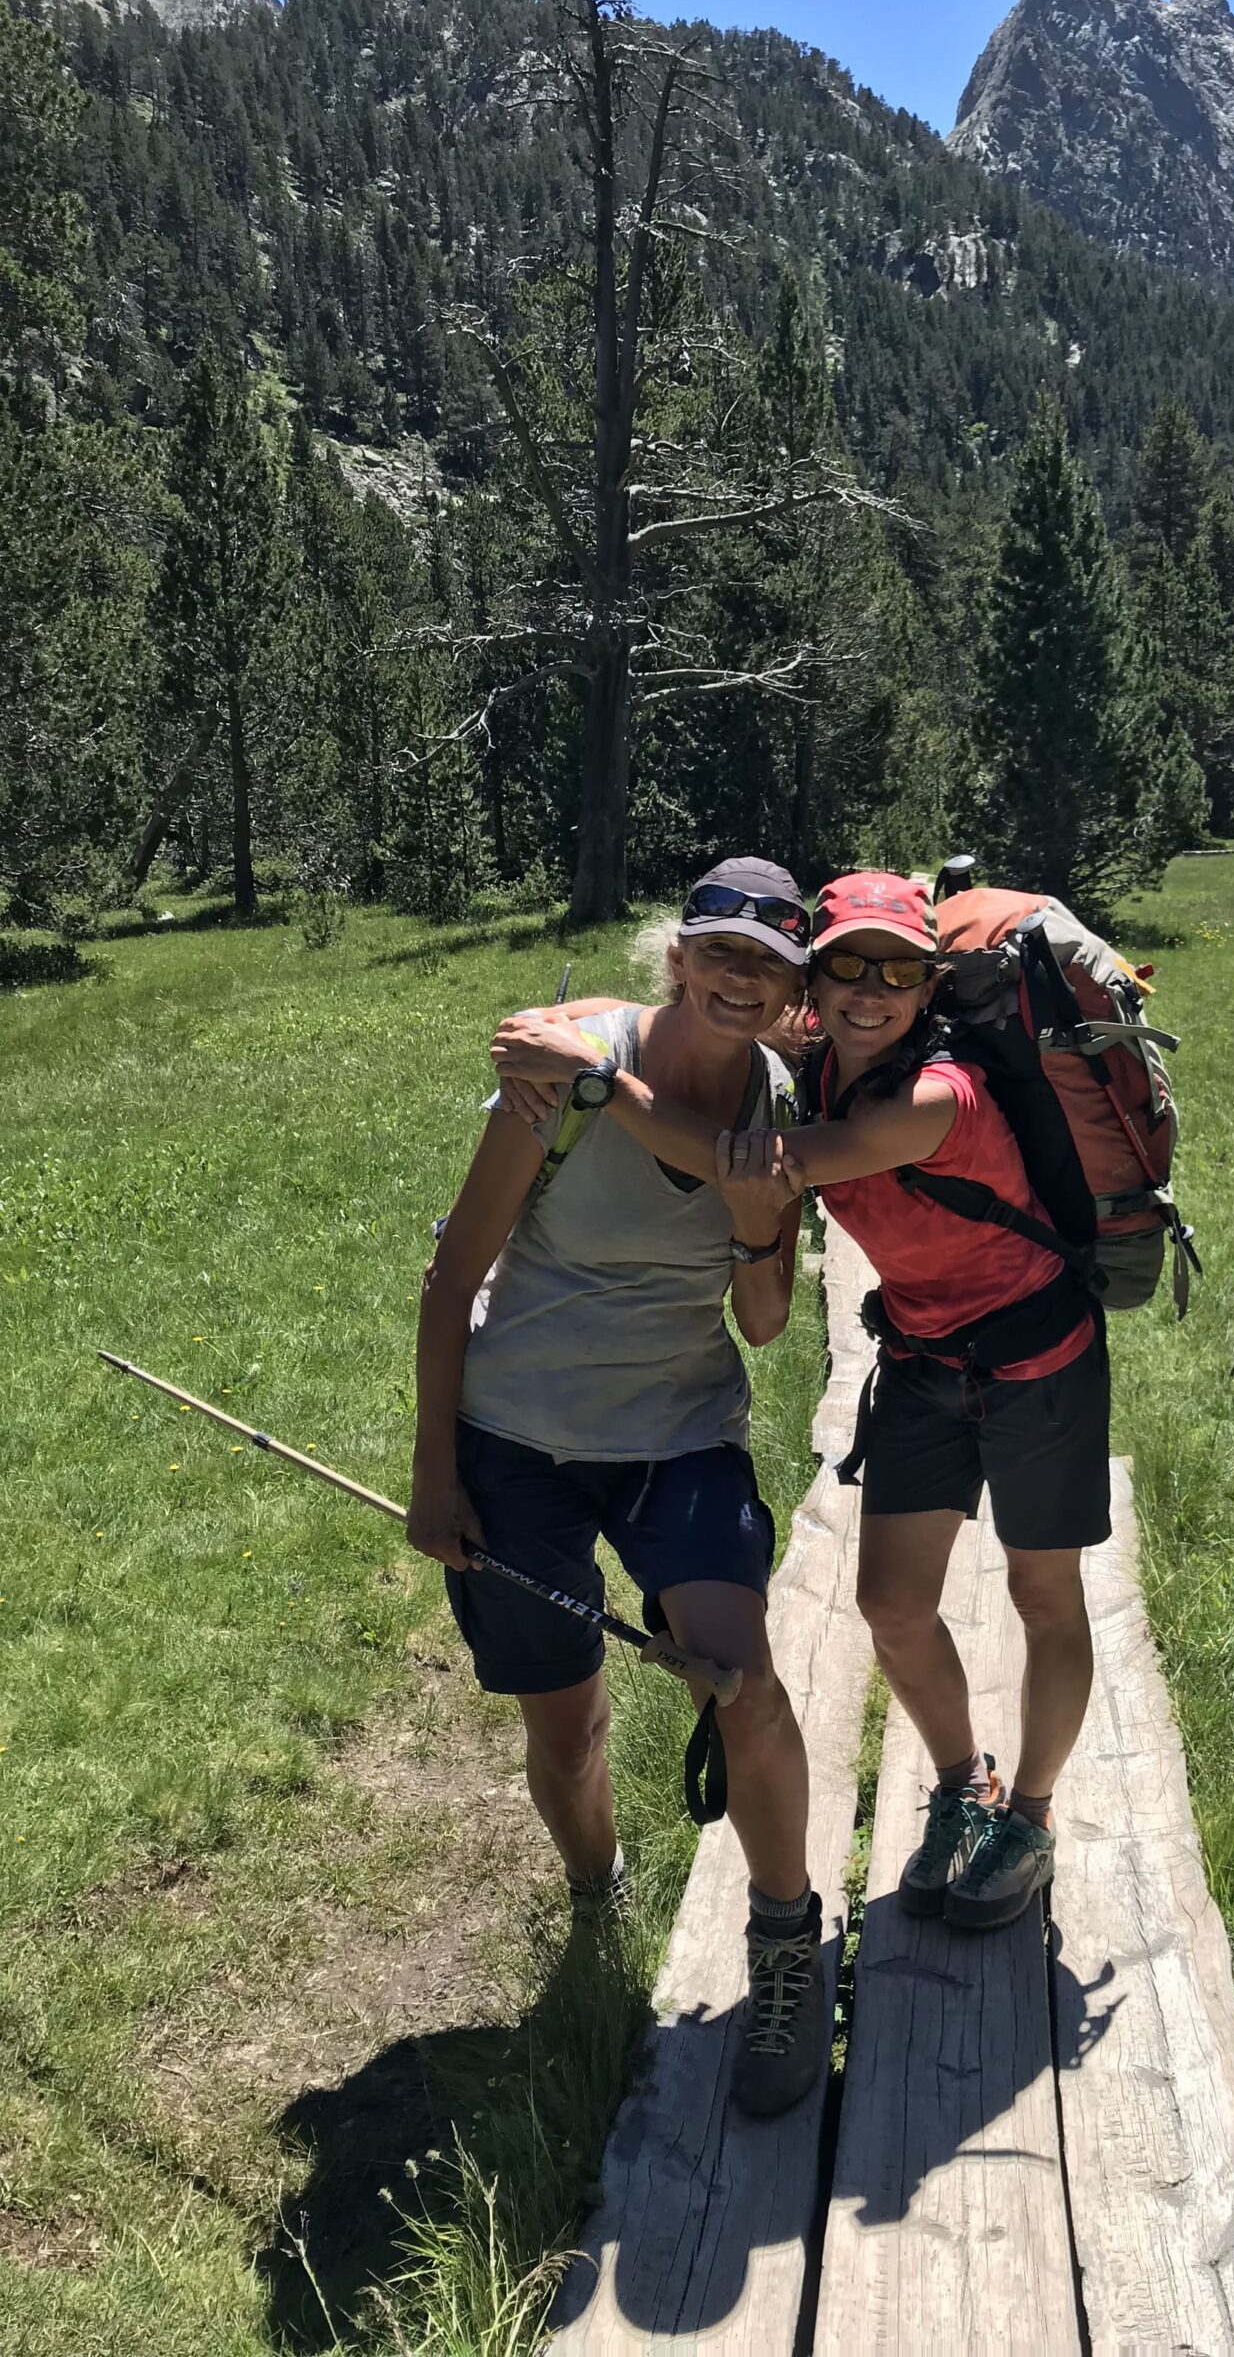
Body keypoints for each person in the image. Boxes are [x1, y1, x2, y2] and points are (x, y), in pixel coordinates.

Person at [491, 871, 1111, 1934]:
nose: (873, 990)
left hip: (1037, 1355)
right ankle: (967, 1784)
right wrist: (571, 1026)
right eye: (848, 967)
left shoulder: (936, 1097)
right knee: (894, 1606)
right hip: (921, 1358)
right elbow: (663, 1016)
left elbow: (754, 1167)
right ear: (812, 987)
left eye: (901, 972)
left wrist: (592, 1075)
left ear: (929, 989)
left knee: (1044, 1597)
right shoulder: (812, 1068)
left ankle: (1033, 1818)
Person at [409, 856, 829, 2117]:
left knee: (742, 1681)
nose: (741, 982)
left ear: (793, 989)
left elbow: (761, 1326)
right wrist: (437, 1471)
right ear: (677, 957)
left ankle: (789, 1944)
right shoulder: (559, 1074)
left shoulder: (780, 1104)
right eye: (721, 954)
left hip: (677, 1432)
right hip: (516, 1436)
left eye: (770, 965)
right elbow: (451, 1281)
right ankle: (596, 1892)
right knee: (567, 1722)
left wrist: (763, 1222)